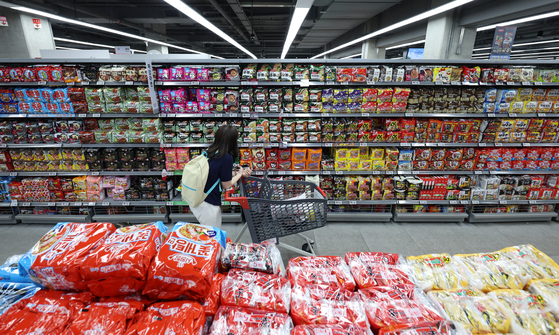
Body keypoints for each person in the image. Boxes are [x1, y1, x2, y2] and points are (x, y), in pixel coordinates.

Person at [189, 125, 252, 229]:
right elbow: (227, 185)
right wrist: (240, 174)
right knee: (213, 235)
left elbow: (217, 173)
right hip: (207, 202)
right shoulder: (226, 157)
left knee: (209, 233)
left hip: (197, 196)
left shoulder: (212, 150)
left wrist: (236, 174)